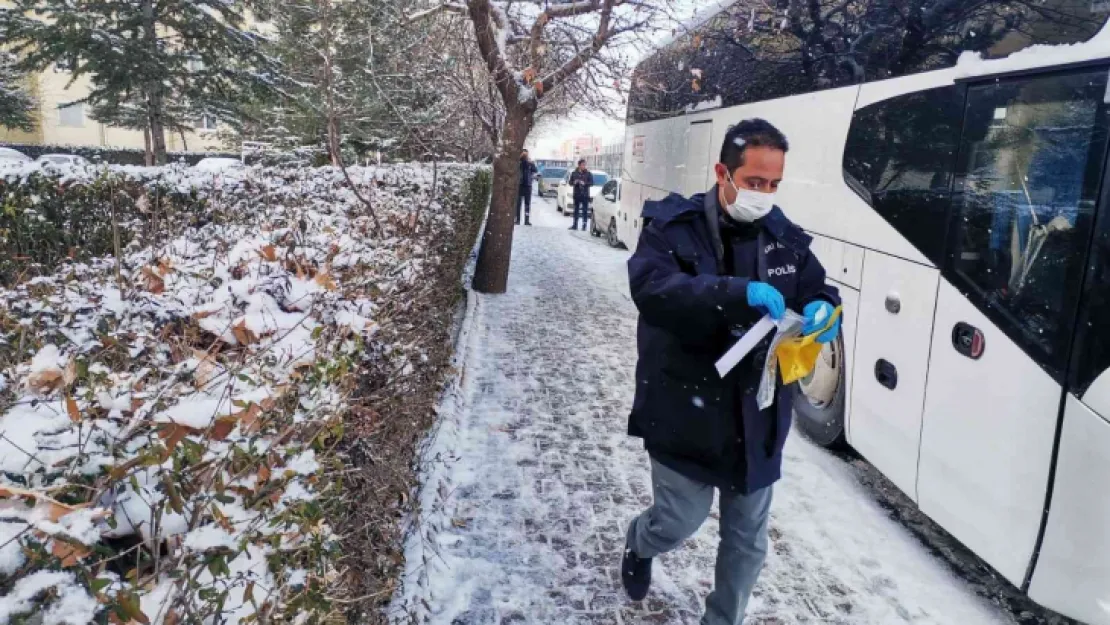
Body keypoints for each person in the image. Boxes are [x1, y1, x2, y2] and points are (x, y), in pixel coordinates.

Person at [621, 119, 841, 625]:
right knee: (678, 523)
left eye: (773, 184)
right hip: (685, 409)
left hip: (757, 416)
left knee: (747, 543)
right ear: (723, 172)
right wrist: (734, 294)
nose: (763, 194)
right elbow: (654, 291)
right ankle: (641, 540)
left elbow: (817, 287)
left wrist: (825, 308)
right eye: (754, 181)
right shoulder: (671, 228)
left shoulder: (784, 237)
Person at [567, 159, 593, 231]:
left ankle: (584, 226)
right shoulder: (574, 173)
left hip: (585, 194)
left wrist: (584, 183)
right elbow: (570, 182)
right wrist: (574, 182)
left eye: (585, 165)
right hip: (577, 194)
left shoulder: (588, 173)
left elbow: (592, 183)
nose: (584, 166)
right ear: (579, 165)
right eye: (582, 165)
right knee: (576, 210)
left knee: (585, 211)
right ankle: (575, 225)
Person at [518, 149, 538, 226]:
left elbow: (535, 170)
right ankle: (517, 219)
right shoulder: (518, 162)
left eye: (526, 154)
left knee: (527, 204)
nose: (525, 156)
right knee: (518, 203)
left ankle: (527, 220)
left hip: (528, 185)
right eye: (524, 154)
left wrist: (531, 163)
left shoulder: (530, 163)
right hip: (520, 185)